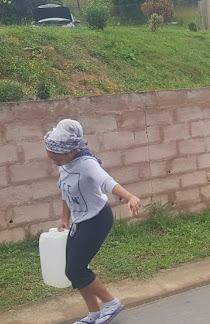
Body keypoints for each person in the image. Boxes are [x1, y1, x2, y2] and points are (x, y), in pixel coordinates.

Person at [44, 119, 141, 324]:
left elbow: (107, 182)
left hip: (97, 220)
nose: (54, 159)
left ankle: (110, 303)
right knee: (74, 270)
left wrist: (130, 196)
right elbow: (66, 192)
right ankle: (94, 314)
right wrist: (64, 219)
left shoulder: (86, 164)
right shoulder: (65, 163)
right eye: (50, 155)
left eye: (57, 156)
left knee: (75, 269)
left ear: (71, 151)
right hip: (79, 221)